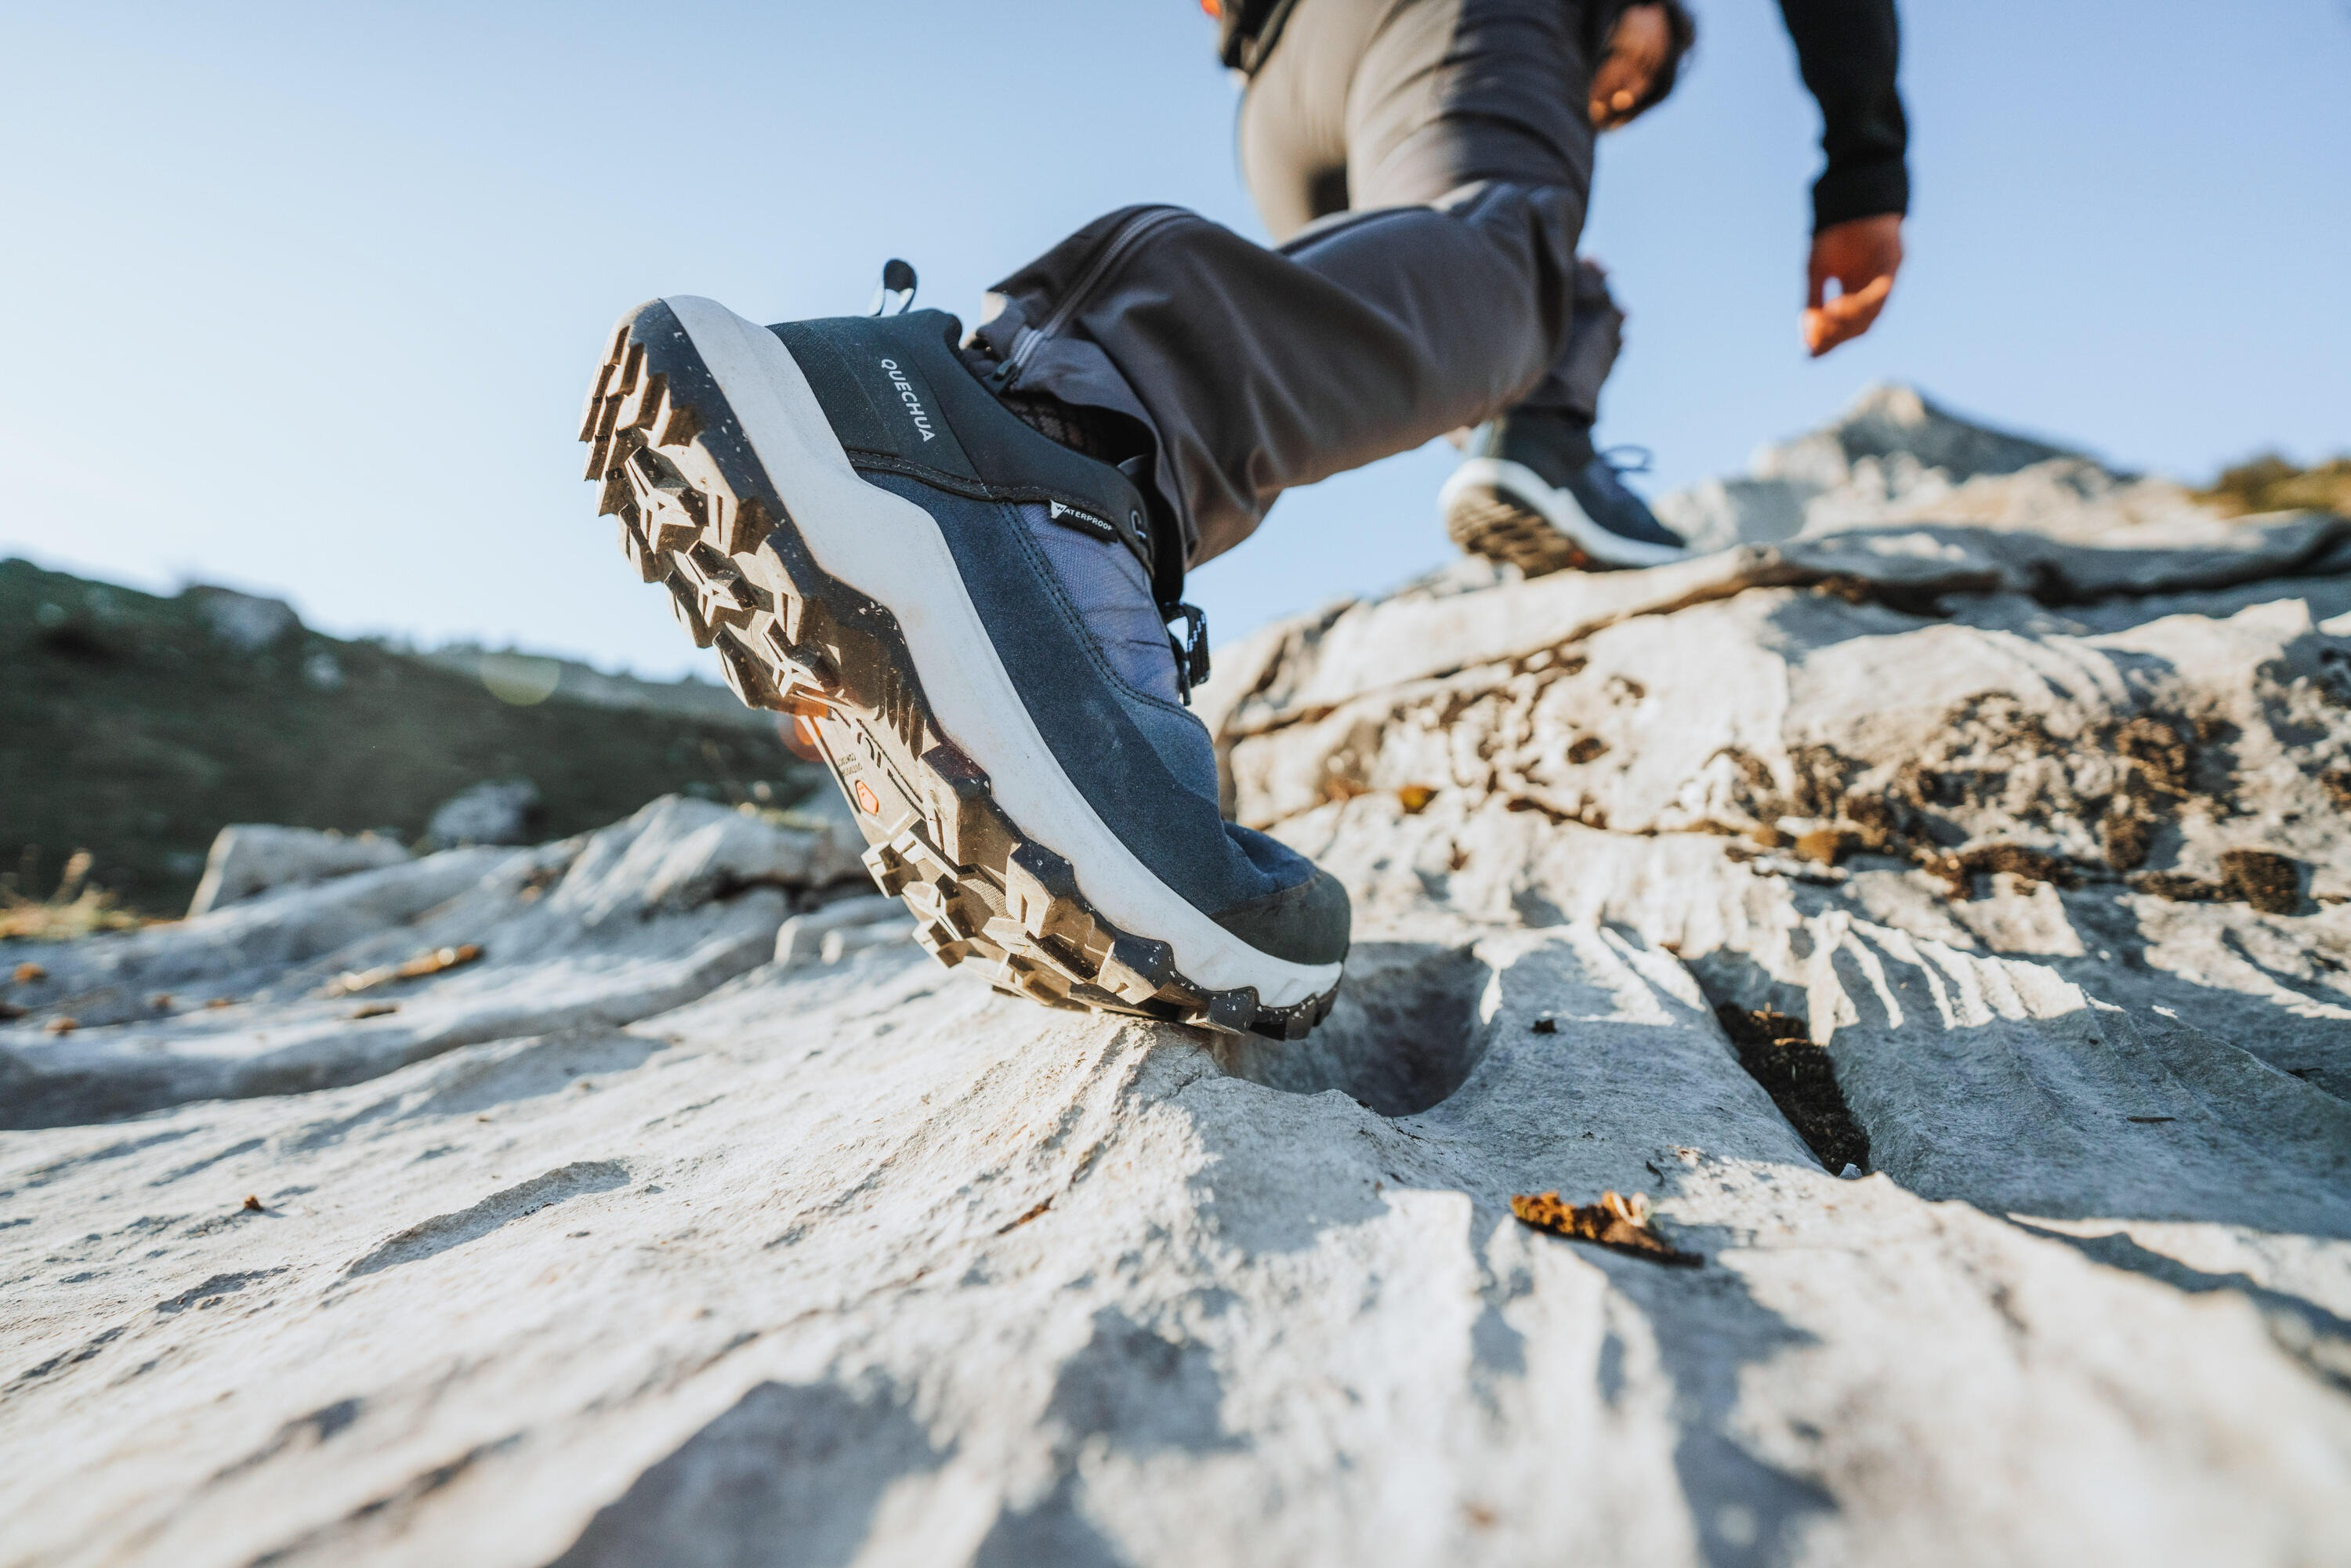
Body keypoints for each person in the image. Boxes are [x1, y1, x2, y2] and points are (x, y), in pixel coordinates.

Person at [576, 0, 1907, 1038]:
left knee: (1440, 311)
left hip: (1284, 84)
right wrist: (1863, 165)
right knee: (1507, 265)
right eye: (1635, 74)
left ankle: (1516, 448)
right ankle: (1031, 432)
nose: (1612, 103)